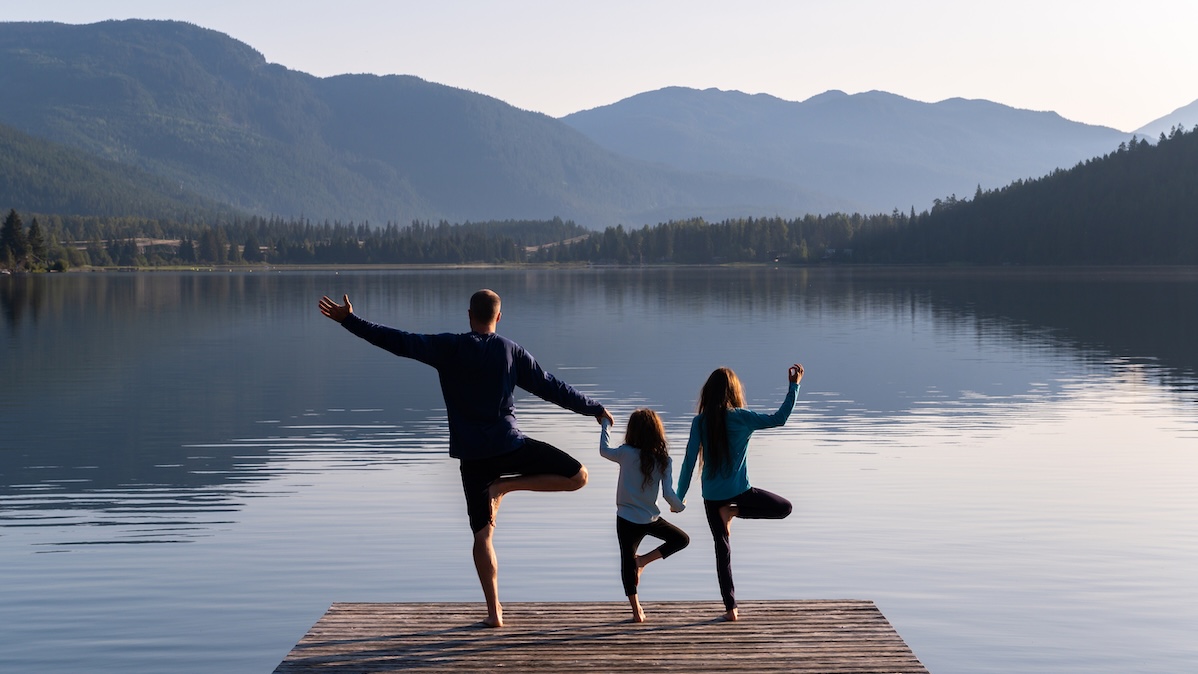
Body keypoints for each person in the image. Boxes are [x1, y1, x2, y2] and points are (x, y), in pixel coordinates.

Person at [318, 289, 614, 628]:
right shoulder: (510, 351)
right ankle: (506, 486)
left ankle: (494, 612)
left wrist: (350, 321)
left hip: (473, 458)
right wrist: (592, 407)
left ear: (469, 314)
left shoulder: (449, 347)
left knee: (482, 536)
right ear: (498, 317)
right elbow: (551, 386)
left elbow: (398, 341)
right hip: (510, 445)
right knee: (579, 476)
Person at [675, 363, 804, 621]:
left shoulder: (699, 422)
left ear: (708, 393)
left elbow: (689, 461)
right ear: (734, 391)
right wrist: (794, 386)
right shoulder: (742, 417)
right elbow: (779, 419)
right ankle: (734, 510)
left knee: (722, 549)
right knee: (784, 508)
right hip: (740, 492)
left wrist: (679, 497)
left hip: (711, 496)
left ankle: (731, 609)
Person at [599, 409, 689, 622]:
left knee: (627, 560)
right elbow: (669, 494)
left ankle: (636, 609)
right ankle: (642, 564)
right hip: (650, 518)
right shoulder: (663, 460)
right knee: (681, 540)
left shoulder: (625, 453)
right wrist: (680, 507)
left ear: (632, 431)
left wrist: (605, 424)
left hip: (627, 518)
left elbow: (604, 450)